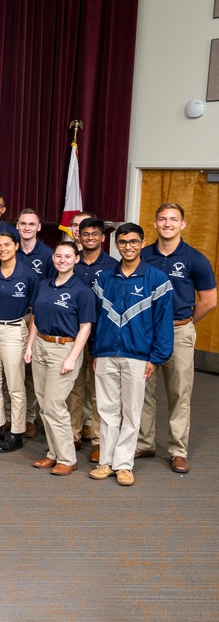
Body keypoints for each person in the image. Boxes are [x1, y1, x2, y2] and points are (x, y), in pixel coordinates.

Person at [90, 223, 174, 487]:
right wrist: (96, 350)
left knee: (132, 411)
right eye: (123, 242)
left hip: (138, 357)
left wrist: (156, 358)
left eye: (134, 242)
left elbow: (164, 323)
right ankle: (106, 461)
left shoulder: (157, 279)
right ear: (116, 245)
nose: (128, 246)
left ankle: (124, 465)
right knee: (106, 410)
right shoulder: (104, 279)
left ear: (142, 243)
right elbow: (94, 319)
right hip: (105, 354)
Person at [137, 203, 217, 473]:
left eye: (173, 219)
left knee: (179, 391)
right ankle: (144, 442)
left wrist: (185, 325)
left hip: (178, 330)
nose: (167, 223)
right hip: (145, 331)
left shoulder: (196, 259)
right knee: (142, 389)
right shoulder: (143, 255)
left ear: (183, 224)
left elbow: (209, 301)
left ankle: (178, 451)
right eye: (162, 219)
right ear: (155, 223)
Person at [24, 241, 97, 475]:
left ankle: (67, 458)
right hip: (41, 346)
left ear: (76, 259)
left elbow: (85, 327)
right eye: (58, 256)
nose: (62, 260)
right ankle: (52, 453)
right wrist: (30, 346)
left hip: (64, 349)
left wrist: (72, 358)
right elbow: (35, 316)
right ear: (53, 259)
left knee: (55, 405)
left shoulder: (83, 291)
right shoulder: (44, 284)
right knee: (44, 404)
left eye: (68, 256)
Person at [0, 230, 37, 453]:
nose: (2, 249)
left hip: (14, 330)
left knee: (15, 386)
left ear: (16, 246)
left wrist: (30, 343)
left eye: (7, 245)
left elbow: (35, 313)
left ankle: (16, 433)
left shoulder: (28, 276)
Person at [67, 217, 116, 462]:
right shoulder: (70, 260)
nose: (89, 238)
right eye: (85, 234)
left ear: (102, 237)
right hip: (71, 334)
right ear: (79, 236)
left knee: (99, 391)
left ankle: (98, 440)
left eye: (94, 234)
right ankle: (73, 434)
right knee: (74, 388)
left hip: (101, 335)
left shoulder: (112, 265)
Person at [15, 209, 54, 278]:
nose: (27, 228)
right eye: (23, 224)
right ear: (17, 225)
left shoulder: (49, 254)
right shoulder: (9, 251)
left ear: (39, 227)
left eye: (31, 224)